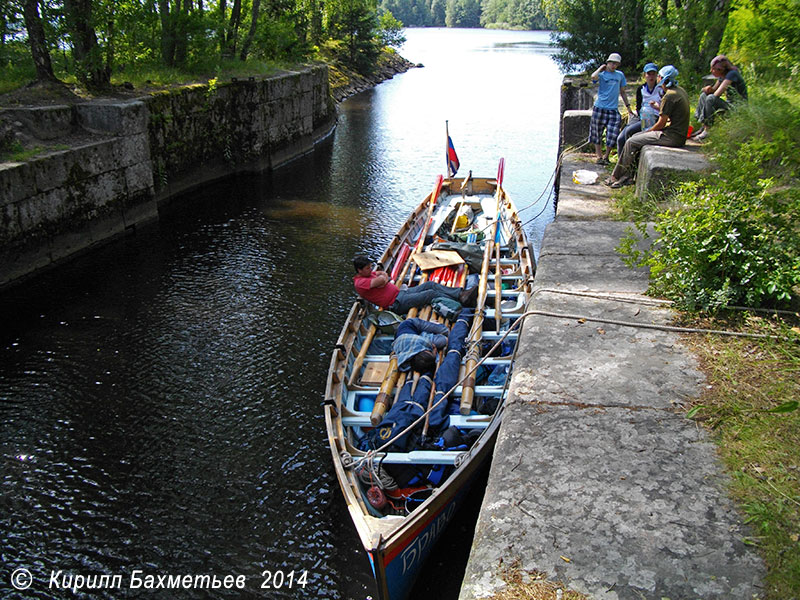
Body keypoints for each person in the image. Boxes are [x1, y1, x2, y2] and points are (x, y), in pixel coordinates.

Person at [605, 65, 690, 188]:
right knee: (636, 139)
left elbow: (661, 123)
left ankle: (616, 176)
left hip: (672, 136)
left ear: (662, 78)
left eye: (659, 76)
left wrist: (648, 132)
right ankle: (628, 176)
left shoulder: (669, 96)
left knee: (631, 141)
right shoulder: (680, 91)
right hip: (678, 133)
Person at [353, 255, 478, 315]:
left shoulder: (369, 275)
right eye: (368, 268)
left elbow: (384, 275)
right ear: (360, 270)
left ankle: (460, 293)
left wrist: (383, 278)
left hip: (401, 293)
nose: (371, 270)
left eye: (370, 267)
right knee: (430, 294)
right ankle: (460, 301)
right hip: (396, 303)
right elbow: (382, 279)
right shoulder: (360, 283)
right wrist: (383, 278)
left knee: (430, 284)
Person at [692, 55, 748, 141]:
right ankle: (703, 126)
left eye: (713, 69)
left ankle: (707, 130)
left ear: (720, 69)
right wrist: (706, 89)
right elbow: (714, 90)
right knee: (704, 95)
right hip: (729, 104)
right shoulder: (723, 75)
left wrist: (711, 92)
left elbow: (717, 94)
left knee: (710, 98)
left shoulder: (732, 74)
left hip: (737, 107)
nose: (711, 71)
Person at [589, 52, 631, 165]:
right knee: (596, 132)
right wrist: (600, 68)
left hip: (613, 109)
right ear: (607, 63)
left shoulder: (619, 75)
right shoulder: (602, 75)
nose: (613, 65)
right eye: (611, 63)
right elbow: (593, 77)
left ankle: (606, 156)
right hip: (600, 107)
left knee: (612, 134)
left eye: (616, 64)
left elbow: (622, 91)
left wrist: (628, 107)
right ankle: (599, 156)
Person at [616, 63, 664, 156]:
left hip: (655, 118)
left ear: (657, 75)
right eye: (649, 74)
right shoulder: (641, 89)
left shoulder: (661, 89)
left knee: (630, 131)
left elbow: (665, 109)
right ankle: (621, 162)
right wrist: (642, 115)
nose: (651, 77)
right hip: (643, 117)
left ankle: (630, 159)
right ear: (644, 75)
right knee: (620, 138)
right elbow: (638, 107)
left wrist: (656, 107)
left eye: (653, 74)